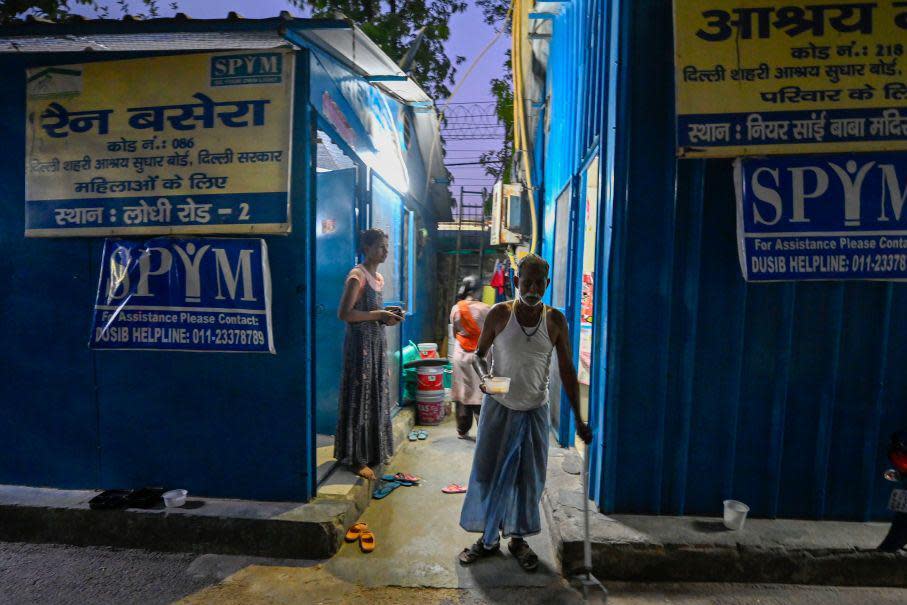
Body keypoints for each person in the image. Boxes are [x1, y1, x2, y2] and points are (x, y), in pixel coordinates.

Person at [458, 254, 592, 572]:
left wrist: (578, 419)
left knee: (528, 480)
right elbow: (478, 357)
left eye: (539, 283)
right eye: (526, 282)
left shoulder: (556, 321)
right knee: (487, 473)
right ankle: (487, 540)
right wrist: (489, 381)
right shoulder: (499, 315)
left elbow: (568, 371)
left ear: (547, 284)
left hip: (534, 411)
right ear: (516, 282)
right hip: (499, 409)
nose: (532, 288)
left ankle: (518, 540)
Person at [335, 228, 403, 481]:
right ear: (367, 248)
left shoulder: (378, 277)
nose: (385, 251)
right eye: (381, 247)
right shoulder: (357, 276)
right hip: (359, 346)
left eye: (387, 246)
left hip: (374, 343)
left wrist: (387, 314)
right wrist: (379, 315)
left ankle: (372, 451)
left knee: (374, 394)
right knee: (359, 398)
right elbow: (345, 314)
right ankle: (355, 458)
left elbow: (371, 311)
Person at [449, 276, 491, 439]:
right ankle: (484, 434)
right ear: (477, 291)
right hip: (479, 358)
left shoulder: (456, 309)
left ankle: (462, 430)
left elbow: (454, 334)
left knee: (462, 393)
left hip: (460, 357)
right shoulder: (485, 309)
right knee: (480, 394)